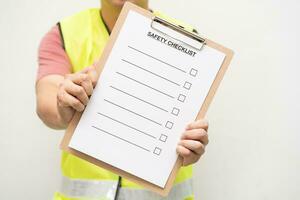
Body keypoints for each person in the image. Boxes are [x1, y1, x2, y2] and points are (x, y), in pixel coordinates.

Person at [36, 0, 209, 199]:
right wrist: (63, 107)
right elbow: (47, 100)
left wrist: (190, 144)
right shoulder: (64, 33)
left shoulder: (190, 39)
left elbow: (189, 125)